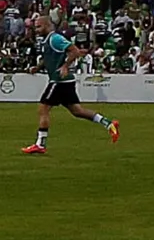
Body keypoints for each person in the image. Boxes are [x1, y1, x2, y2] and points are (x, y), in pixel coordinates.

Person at [23, 20, 119, 155]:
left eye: (39, 26)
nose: (37, 30)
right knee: (77, 111)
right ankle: (109, 124)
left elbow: (74, 50)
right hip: (64, 81)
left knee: (43, 109)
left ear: (48, 25)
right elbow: (48, 57)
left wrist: (65, 66)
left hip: (59, 81)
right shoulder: (47, 41)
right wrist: (37, 68)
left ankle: (40, 144)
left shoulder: (55, 38)